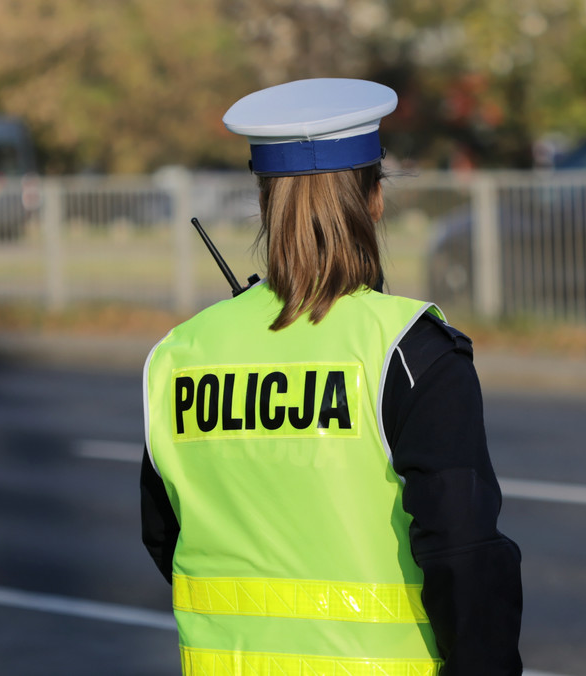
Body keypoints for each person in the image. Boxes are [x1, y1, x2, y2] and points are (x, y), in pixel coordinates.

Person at [140, 78, 523, 676]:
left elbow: (168, 539)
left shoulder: (180, 355)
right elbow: (465, 559)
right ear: (373, 199)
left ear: (266, 199)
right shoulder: (410, 352)